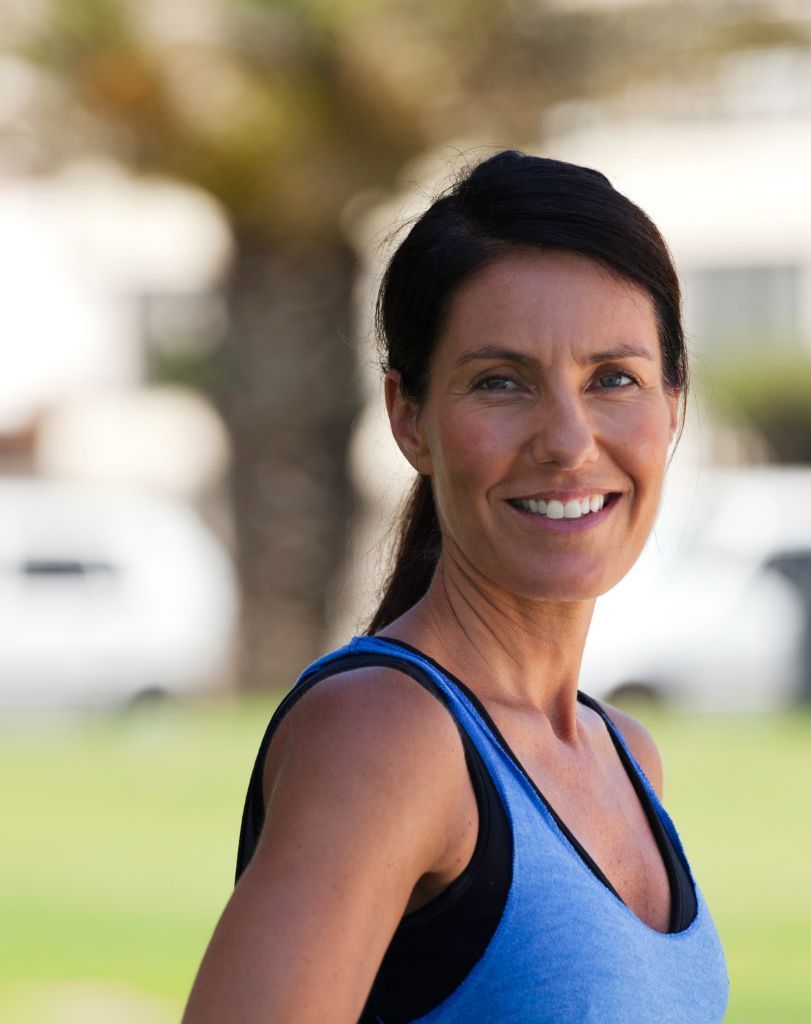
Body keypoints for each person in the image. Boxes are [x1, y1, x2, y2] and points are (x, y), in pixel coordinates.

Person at [184, 150, 729, 1023]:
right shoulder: (386, 736)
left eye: (613, 379)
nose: (568, 440)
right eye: (501, 382)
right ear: (411, 419)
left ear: (673, 404)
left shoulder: (625, 756)